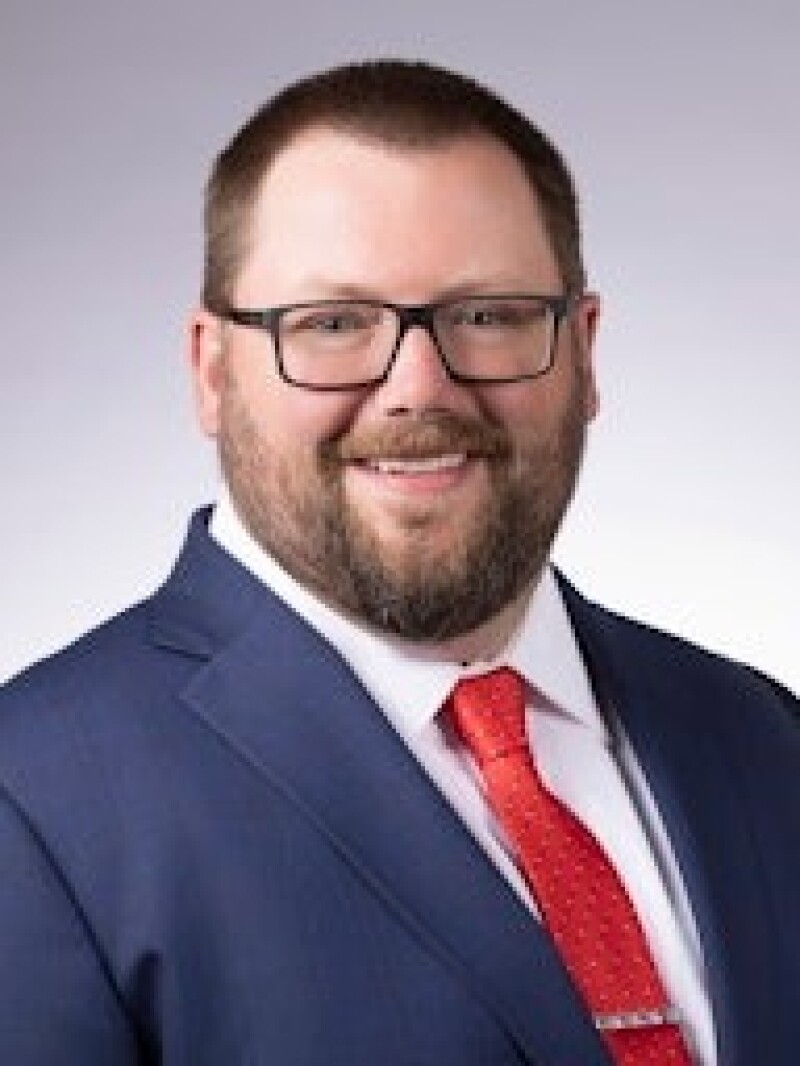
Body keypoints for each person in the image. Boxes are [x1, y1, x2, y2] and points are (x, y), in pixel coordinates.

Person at [0, 59, 797, 1066]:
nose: (418, 388)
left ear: (583, 350)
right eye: (333, 324)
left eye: (488, 315)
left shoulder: (760, 733)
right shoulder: (31, 800)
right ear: (211, 370)